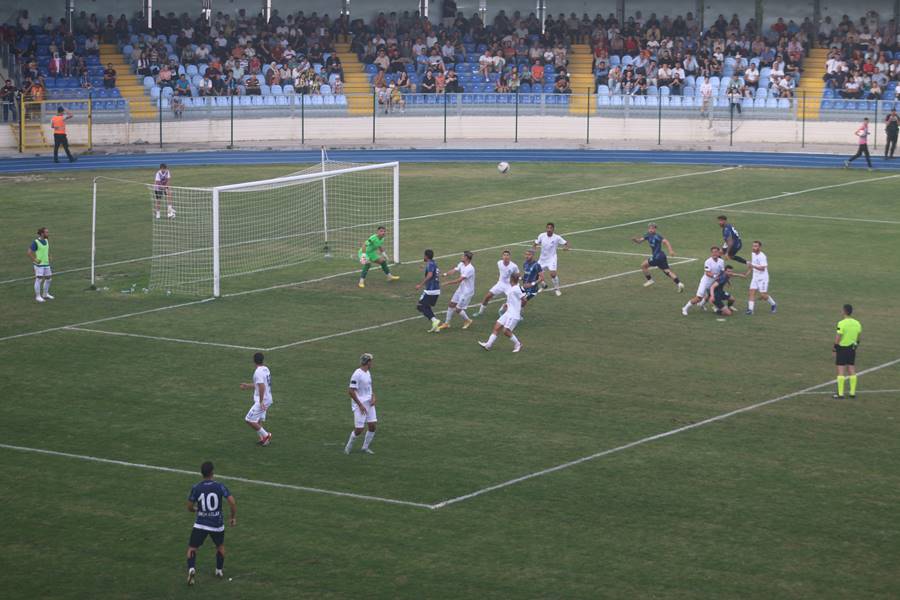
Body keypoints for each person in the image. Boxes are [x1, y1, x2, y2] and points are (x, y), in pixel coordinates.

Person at [186, 461, 236, 585]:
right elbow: (232, 502)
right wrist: (232, 517)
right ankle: (219, 570)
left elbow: (189, 506)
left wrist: (196, 510)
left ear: (201, 473)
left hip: (201, 524)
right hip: (217, 524)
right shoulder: (220, 486)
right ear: (212, 472)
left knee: (192, 548)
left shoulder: (196, 487)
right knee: (220, 546)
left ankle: (191, 569)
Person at [478, 272, 524, 353]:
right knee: (497, 326)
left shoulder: (516, 289)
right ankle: (488, 344)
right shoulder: (512, 288)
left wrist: (518, 309)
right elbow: (513, 300)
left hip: (513, 314)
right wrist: (507, 305)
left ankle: (518, 344)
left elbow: (524, 299)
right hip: (508, 312)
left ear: (511, 279)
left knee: (506, 331)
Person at [631, 223, 684, 291]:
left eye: (652, 228)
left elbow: (666, 241)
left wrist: (671, 251)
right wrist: (635, 240)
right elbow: (640, 241)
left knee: (643, 265)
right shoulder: (647, 235)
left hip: (657, 257)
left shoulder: (657, 236)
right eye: (650, 228)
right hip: (662, 256)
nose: (651, 229)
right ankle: (679, 284)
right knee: (667, 271)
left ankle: (650, 280)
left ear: (655, 229)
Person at [344, 353, 378, 454]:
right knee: (359, 429)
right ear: (367, 362)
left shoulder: (367, 372)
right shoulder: (357, 374)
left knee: (372, 426)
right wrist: (360, 405)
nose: (372, 363)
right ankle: (348, 448)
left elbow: (369, 388)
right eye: (371, 361)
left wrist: (373, 397)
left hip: (369, 403)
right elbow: (351, 391)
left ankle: (365, 447)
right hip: (360, 405)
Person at [239, 352, 273, 446]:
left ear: (253, 361)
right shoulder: (266, 369)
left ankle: (266, 435)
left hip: (263, 400)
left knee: (249, 419)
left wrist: (261, 401)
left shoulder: (257, 372)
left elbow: (262, 387)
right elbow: (260, 384)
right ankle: (264, 440)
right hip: (268, 398)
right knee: (258, 420)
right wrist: (248, 386)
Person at [438, 250, 476, 330]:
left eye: (463, 256)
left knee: (458, 309)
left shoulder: (470, 269)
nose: (461, 257)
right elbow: (454, 270)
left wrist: (447, 283)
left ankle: (468, 320)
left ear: (466, 258)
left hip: (467, 292)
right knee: (451, 304)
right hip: (461, 288)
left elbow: (459, 280)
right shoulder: (462, 264)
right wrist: (445, 274)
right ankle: (446, 323)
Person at [682, 246, 723, 315]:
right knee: (699, 298)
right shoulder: (708, 261)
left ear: (719, 253)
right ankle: (685, 308)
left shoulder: (721, 261)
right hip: (706, 282)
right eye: (713, 252)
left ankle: (702, 305)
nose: (714, 253)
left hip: (714, 282)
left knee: (710, 295)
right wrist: (716, 276)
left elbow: (722, 271)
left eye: (716, 252)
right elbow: (707, 273)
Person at [475, 249, 519, 316]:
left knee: (512, 300)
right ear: (502, 256)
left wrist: (514, 281)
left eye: (507, 255)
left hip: (509, 285)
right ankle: (480, 312)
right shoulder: (499, 263)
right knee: (487, 296)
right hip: (500, 283)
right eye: (504, 255)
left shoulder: (514, 266)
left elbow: (518, 274)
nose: (506, 256)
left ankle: (503, 310)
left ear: (509, 257)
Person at [833, 304, 862, 399]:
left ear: (844, 311)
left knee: (841, 371)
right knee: (851, 369)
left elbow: (838, 336)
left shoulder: (841, 323)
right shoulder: (857, 323)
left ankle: (840, 394)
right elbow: (858, 337)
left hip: (842, 348)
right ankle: (852, 393)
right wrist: (855, 345)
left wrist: (835, 347)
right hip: (852, 348)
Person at [533, 222, 569, 296]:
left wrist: (566, 247)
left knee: (553, 274)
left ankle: (557, 289)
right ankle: (543, 286)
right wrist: (533, 249)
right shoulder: (541, 235)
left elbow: (566, 243)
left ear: (553, 229)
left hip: (552, 259)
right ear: (546, 228)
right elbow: (536, 243)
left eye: (550, 228)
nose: (549, 229)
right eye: (548, 228)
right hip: (542, 259)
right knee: (536, 274)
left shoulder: (557, 237)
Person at [745, 240, 777, 315]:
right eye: (753, 246)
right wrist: (749, 270)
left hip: (763, 278)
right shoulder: (753, 253)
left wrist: (752, 266)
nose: (754, 247)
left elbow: (763, 268)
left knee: (763, 295)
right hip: (755, 277)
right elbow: (753, 263)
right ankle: (750, 310)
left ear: (760, 247)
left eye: (756, 246)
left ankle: (773, 304)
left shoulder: (762, 256)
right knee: (751, 293)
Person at [415, 249, 442, 333]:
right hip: (436, 290)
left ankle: (434, 321)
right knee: (426, 306)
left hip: (430, 290)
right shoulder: (433, 263)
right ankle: (436, 326)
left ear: (426, 256)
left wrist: (420, 285)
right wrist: (424, 267)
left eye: (424, 255)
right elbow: (435, 272)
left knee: (420, 306)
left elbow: (430, 275)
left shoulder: (430, 264)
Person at [27, 227, 53, 303]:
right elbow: (29, 252)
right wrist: (35, 260)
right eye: (46, 232)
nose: (48, 233)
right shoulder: (36, 242)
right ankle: (38, 296)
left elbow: (46, 249)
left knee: (49, 278)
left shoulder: (46, 240)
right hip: (39, 265)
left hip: (46, 263)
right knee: (39, 279)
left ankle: (45, 294)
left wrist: (49, 255)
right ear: (42, 233)